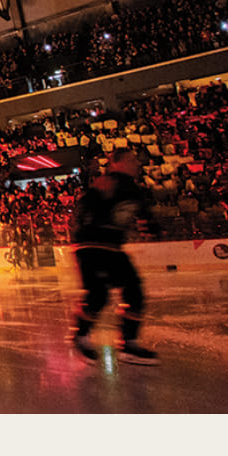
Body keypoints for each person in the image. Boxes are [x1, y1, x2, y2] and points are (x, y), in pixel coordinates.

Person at [68, 148, 160, 365]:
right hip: (92, 247)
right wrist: (83, 240)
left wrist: (150, 226)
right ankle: (81, 336)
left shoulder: (134, 189)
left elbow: (143, 215)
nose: (136, 164)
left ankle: (128, 343)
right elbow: (83, 211)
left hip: (113, 248)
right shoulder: (105, 183)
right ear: (118, 163)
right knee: (98, 295)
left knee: (134, 291)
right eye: (131, 160)